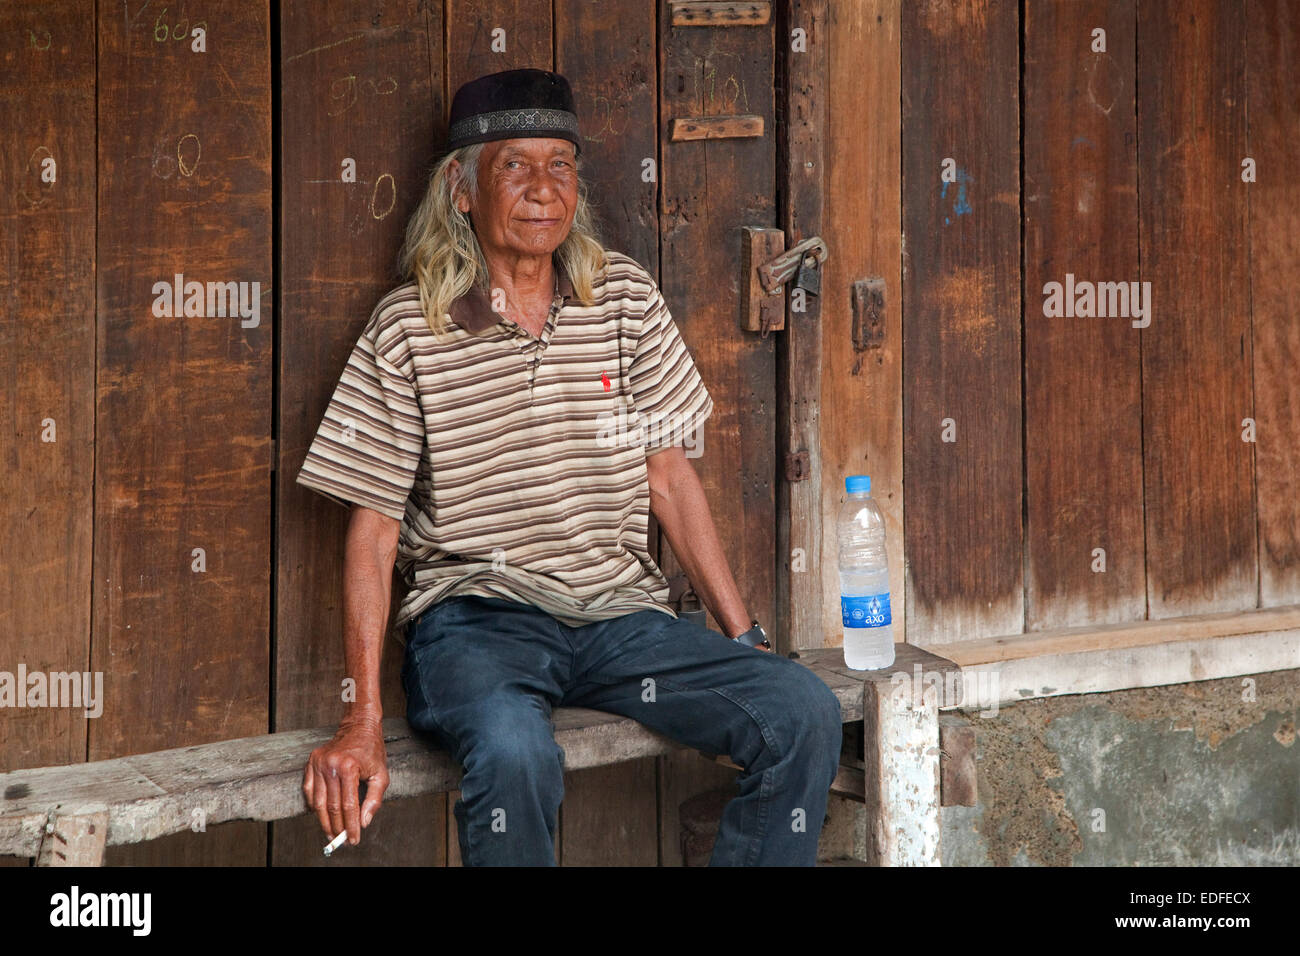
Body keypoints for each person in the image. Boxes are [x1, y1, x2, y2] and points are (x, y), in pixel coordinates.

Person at [296, 68, 842, 866]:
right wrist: (362, 721)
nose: (543, 188)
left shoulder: (621, 297)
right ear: (462, 190)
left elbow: (669, 477)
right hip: (478, 622)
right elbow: (374, 533)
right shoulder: (409, 327)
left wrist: (744, 635)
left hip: (620, 620)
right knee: (516, 752)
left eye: (561, 164)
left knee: (800, 709)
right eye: (514, 165)